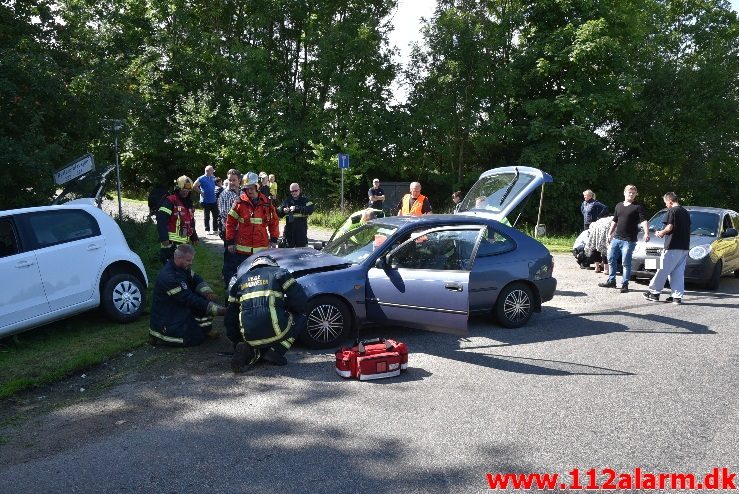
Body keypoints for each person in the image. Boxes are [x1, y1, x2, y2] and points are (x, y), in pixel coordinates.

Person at [226, 254, 308, 372]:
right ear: (272, 263)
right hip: (277, 332)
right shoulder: (280, 273)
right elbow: (301, 302)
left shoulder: (240, 281)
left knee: (257, 336)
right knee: (301, 315)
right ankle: (276, 351)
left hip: (249, 336)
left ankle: (251, 350)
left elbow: (230, 317)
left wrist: (236, 340)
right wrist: (286, 308)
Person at [149, 244, 226, 346]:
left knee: (206, 299)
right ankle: (163, 336)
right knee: (196, 339)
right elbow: (189, 299)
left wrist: (208, 293)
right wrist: (218, 310)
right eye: (188, 260)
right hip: (167, 318)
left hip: (177, 308)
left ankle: (204, 330)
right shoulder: (169, 277)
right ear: (178, 258)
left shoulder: (181, 268)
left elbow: (196, 278)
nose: (191, 263)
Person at [224, 172, 280, 282]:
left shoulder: (267, 203)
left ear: (257, 187)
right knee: (241, 276)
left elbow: (274, 222)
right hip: (242, 250)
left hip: (261, 249)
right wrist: (230, 241)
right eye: (246, 188)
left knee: (260, 277)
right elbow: (230, 222)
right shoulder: (239, 203)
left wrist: (274, 239)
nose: (249, 191)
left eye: (251, 188)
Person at [598, 185, 649, 293]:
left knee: (626, 262)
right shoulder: (619, 206)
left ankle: (625, 284)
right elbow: (614, 221)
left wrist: (646, 233)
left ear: (635, 194)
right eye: (629, 192)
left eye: (633, 193)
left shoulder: (637, 207)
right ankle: (611, 281)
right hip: (616, 238)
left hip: (629, 240)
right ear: (624, 193)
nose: (631, 194)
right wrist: (609, 233)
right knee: (611, 258)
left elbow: (644, 221)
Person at [643, 192, 691, 304]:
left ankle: (654, 293)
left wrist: (662, 233)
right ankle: (677, 297)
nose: (666, 205)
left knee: (662, 269)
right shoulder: (685, 212)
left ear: (670, 201)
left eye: (666, 203)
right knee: (678, 272)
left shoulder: (672, 211)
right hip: (684, 246)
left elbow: (669, 227)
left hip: (673, 245)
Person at [156, 175, 199, 264]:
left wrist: (194, 236)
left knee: (182, 270)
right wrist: (164, 237)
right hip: (170, 245)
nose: (185, 191)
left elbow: (190, 222)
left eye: (188, 189)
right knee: (171, 271)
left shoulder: (188, 203)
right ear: (177, 188)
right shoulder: (170, 201)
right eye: (183, 189)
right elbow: (161, 219)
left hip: (184, 246)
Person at [217, 169, 241, 287]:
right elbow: (227, 216)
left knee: (239, 257)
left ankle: (238, 281)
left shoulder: (243, 193)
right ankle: (229, 286)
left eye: (234, 180)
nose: (231, 182)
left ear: (239, 181)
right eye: (230, 180)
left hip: (242, 232)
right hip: (230, 231)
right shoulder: (225, 194)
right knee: (230, 259)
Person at [278, 183, 314, 247]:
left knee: (301, 253)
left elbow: (310, 209)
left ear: (299, 190)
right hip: (289, 234)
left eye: (295, 191)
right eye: (292, 191)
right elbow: (278, 212)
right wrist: (283, 210)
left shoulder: (304, 200)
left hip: (301, 233)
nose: (294, 193)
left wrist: (296, 208)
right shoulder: (287, 201)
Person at [193, 165, 219, 235]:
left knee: (215, 215)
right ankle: (207, 229)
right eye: (212, 170)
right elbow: (194, 186)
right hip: (205, 200)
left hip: (213, 199)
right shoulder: (201, 178)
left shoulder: (213, 177)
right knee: (207, 216)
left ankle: (215, 229)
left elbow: (217, 184)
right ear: (207, 171)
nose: (213, 172)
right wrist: (201, 192)